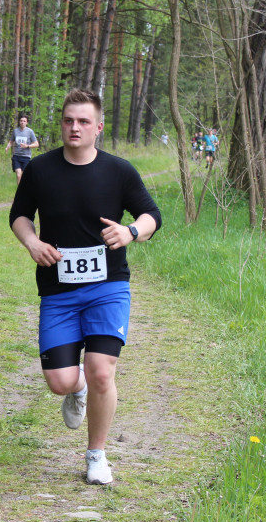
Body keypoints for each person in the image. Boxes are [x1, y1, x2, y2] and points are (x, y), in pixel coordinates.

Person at [8, 88, 161, 485]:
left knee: (102, 372)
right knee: (60, 381)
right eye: (68, 120)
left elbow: (151, 215)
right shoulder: (41, 170)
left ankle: (97, 455)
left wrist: (130, 232)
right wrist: (32, 242)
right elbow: (19, 216)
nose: (74, 127)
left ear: (98, 128)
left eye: (83, 121)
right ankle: (76, 387)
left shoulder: (118, 170)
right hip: (57, 291)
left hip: (108, 286)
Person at [4, 115, 39, 185]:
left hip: (26, 157)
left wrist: (27, 146)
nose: (22, 122)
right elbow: (11, 141)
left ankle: (24, 191)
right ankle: (19, 193)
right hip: (16, 156)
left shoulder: (30, 132)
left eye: (24, 121)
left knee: (23, 176)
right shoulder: (15, 131)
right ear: (19, 122)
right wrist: (7, 147)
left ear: (27, 122)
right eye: (21, 121)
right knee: (18, 174)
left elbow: (36, 144)